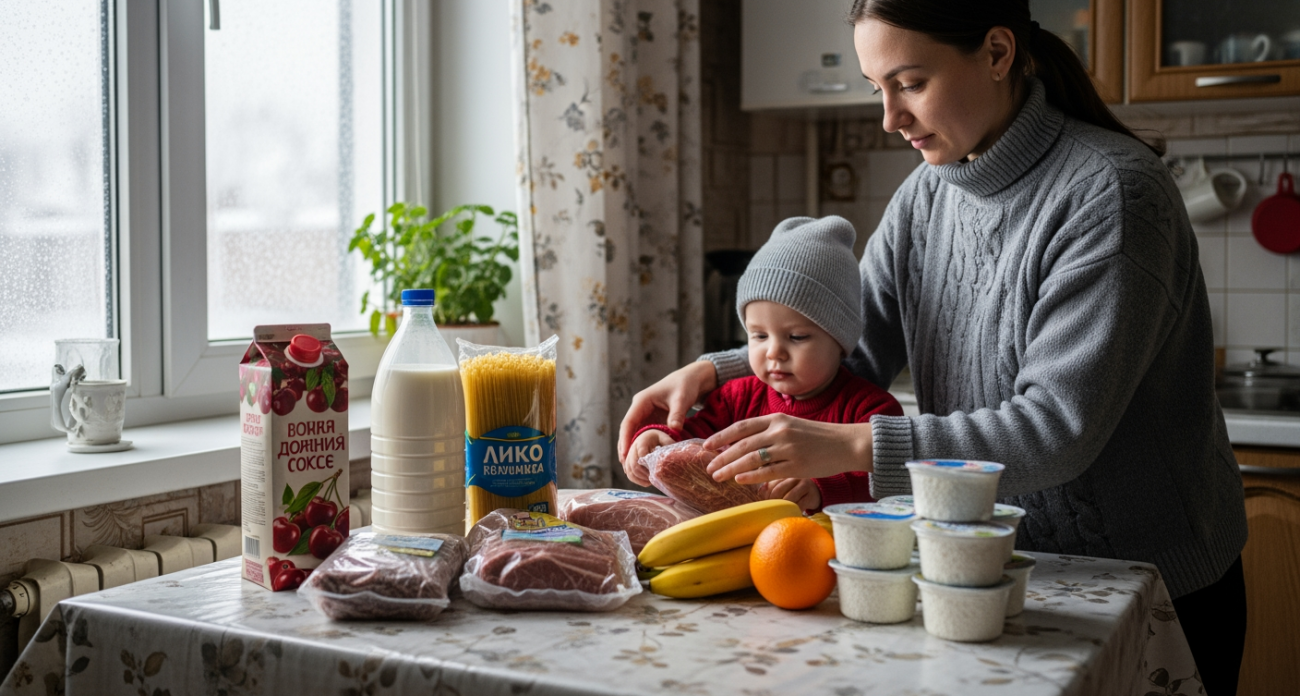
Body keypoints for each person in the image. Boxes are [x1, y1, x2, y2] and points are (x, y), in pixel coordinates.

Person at [616, 1, 1248, 693]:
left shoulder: (1113, 194)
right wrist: (715, 369)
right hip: (976, 571)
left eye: (910, 83)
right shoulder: (925, 197)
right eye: (875, 87)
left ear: (998, 52)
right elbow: (849, 346)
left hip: (1142, 582)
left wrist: (853, 446)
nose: (889, 117)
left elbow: (1056, 429)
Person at [624, 217, 902, 511]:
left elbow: (889, 486)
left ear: (841, 341)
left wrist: (822, 489)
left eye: (796, 337)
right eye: (758, 335)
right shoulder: (736, 397)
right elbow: (693, 441)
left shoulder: (872, 413)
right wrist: (657, 439)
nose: (774, 352)